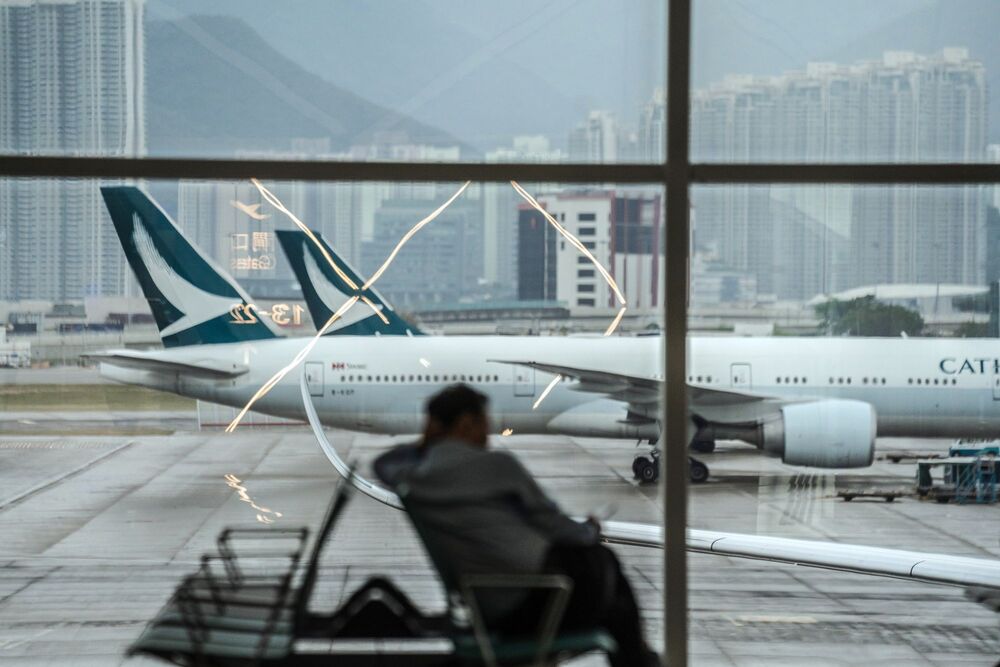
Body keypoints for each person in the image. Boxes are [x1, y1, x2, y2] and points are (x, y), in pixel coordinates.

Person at [374, 384, 659, 667]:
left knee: (615, 608)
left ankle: (640, 659)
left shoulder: (412, 476)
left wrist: (428, 441)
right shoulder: (495, 466)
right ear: (465, 424)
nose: (487, 433)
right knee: (605, 567)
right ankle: (642, 660)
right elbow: (555, 525)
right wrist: (590, 530)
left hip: (487, 608)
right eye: (483, 423)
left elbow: (383, 463)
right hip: (538, 601)